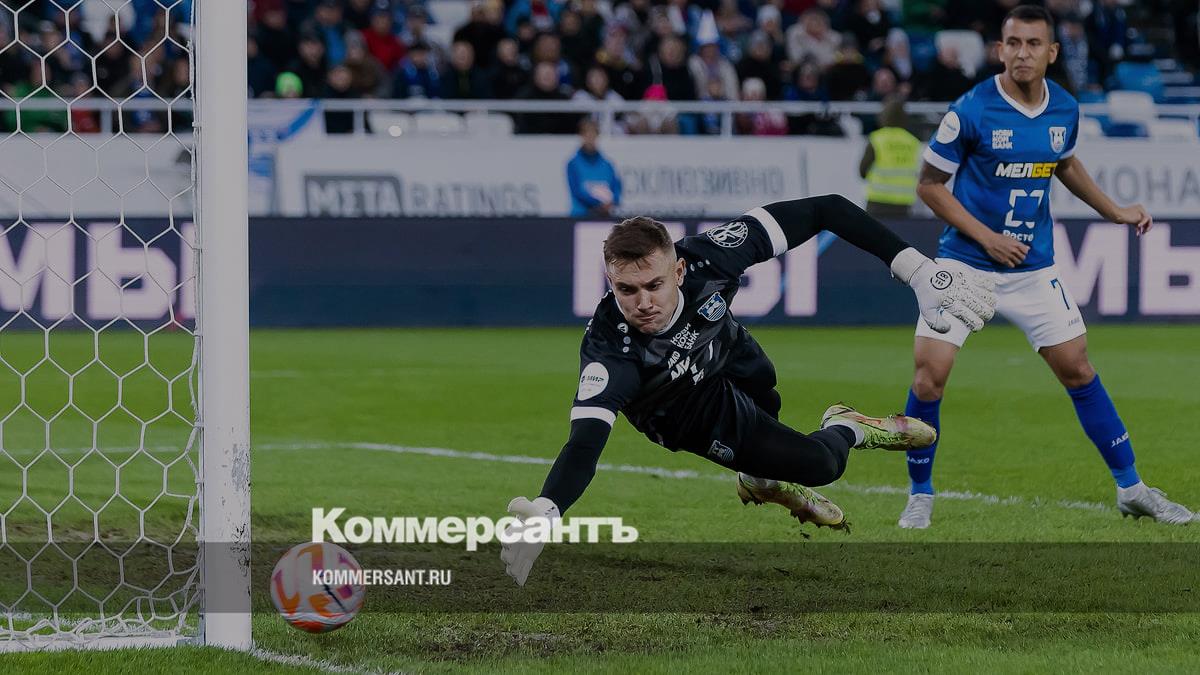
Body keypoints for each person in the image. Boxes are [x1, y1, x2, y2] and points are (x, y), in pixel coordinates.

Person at [499, 194, 997, 586]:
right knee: (822, 466)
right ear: (610, 283)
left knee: (767, 401)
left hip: (731, 353)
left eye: (653, 285)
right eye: (625, 290)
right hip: (693, 411)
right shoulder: (612, 353)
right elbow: (584, 445)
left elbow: (827, 209)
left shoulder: (711, 257)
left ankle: (758, 478)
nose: (643, 302)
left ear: (679, 271)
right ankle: (849, 427)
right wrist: (547, 510)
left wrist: (915, 269)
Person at [896, 6, 1195, 530]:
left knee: (1079, 369)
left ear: (1051, 52)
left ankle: (1132, 489)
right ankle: (920, 494)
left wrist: (1114, 211)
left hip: (1033, 269)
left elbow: (1065, 162)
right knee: (929, 378)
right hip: (965, 264)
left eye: (1033, 44)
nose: (1022, 53)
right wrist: (988, 238)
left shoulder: (1065, 109)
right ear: (1000, 50)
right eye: (1013, 43)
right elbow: (929, 186)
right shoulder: (970, 110)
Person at [859, 97, 921, 218]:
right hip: (903, 203)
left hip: (877, 201)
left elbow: (862, 171)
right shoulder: (913, 142)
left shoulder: (877, 139)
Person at [566, 118, 622, 217]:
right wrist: (598, 204)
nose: (590, 138)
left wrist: (612, 202)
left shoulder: (607, 164)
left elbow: (616, 187)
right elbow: (577, 191)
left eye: (593, 134)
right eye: (587, 134)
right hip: (581, 217)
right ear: (581, 136)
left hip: (604, 217)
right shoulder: (573, 164)